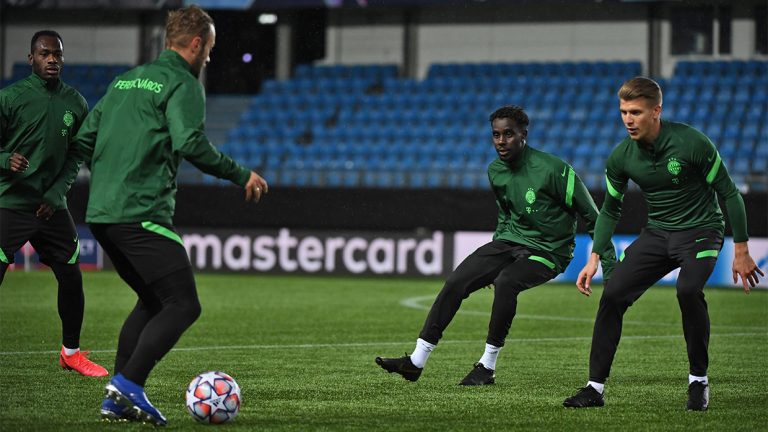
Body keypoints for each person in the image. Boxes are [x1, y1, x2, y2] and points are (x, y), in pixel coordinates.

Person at [71, 5, 268, 426]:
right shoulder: (183, 83)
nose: (209, 57)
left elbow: (84, 140)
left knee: (153, 300)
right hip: (140, 211)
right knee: (183, 304)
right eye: (210, 49)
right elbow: (190, 142)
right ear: (196, 44)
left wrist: (107, 175)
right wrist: (241, 174)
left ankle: (117, 399)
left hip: (102, 213)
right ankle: (129, 384)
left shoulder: (125, 81)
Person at [376, 105, 616, 385]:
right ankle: (416, 361)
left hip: (549, 251)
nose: (501, 141)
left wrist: (608, 267)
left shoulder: (555, 170)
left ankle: (486, 367)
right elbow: (505, 215)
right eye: (496, 135)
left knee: (507, 282)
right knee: (456, 281)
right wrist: (491, 263)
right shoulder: (495, 171)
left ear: (524, 135)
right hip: (508, 242)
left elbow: (595, 217)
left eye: (508, 134)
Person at [563, 77, 763, 411]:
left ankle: (698, 382)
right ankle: (594, 389)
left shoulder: (691, 142)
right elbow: (610, 210)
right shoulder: (621, 156)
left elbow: (730, 193)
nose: (628, 119)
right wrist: (594, 256)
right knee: (612, 295)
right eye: (624, 112)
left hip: (702, 230)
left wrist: (741, 250)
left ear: (656, 111)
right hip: (657, 234)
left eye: (636, 112)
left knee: (688, 290)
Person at [0, 30, 108, 378]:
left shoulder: (75, 102)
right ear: (31, 58)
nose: (52, 60)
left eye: (57, 54)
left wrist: (56, 192)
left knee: (72, 278)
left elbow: (77, 155)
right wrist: (4, 159)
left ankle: (71, 354)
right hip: (10, 202)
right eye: (45, 53)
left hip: (52, 207)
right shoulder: (10, 99)